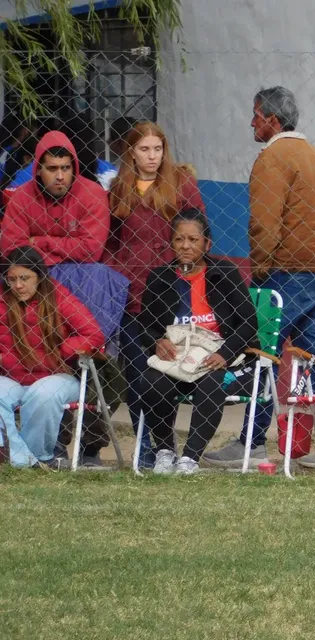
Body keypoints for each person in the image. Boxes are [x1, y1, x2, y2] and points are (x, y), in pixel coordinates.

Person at [203, 86, 315, 470]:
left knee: (262, 357)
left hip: (281, 273)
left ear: (272, 120)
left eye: (256, 115)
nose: (252, 122)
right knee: (314, 359)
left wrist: (260, 270)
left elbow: (264, 222)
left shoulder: (272, 159)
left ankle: (252, 443)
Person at [108, 121, 205, 470]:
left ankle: (165, 443)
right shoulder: (119, 188)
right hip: (132, 296)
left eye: (158, 149)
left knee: (165, 375)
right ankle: (144, 446)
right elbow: (111, 242)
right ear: (131, 152)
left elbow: (200, 236)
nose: (152, 156)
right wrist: (117, 275)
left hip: (172, 293)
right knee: (137, 375)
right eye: (144, 149)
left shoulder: (182, 185)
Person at [135, 209, 259, 475]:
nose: (186, 246)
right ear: (171, 243)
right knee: (152, 380)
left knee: (212, 382)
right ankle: (165, 452)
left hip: (220, 358)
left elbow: (248, 322)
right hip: (178, 358)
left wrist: (225, 353)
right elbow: (144, 324)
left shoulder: (225, 273)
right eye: (179, 239)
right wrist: (157, 341)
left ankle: (190, 458)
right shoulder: (160, 277)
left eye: (193, 240)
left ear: (207, 244)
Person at [0, 246, 104, 467]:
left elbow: (93, 335)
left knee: (43, 394)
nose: (18, 285)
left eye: (25, 278)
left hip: (57, 376)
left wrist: (59, 352)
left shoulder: (59, 297)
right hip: (12, 377)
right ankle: (23, 461)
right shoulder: (2, 300)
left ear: (39, 276)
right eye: (12, 279)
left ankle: (37, 456)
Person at [0, 130, 110, 265]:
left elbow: (91, 251)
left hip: (81, 271)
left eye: (66, 168)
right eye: (52, 169)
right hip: (35, 274)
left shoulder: (93, 194)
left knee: (99, 272)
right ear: (38, 170)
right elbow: (12, 250)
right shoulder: (22, 196)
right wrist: (67, 252)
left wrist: (41, 242)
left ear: (74, 168)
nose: (60, 177)